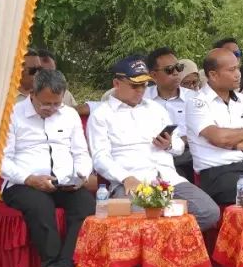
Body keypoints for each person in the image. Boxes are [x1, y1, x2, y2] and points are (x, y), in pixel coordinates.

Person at [88, 57, 219, 231]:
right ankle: (161, 248)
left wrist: (169, 144)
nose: (141, 90)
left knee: (208, 212)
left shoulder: (156, 109)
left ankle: (163, 246)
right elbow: (100, 157)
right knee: (142, 221)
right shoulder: (101, 114)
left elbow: (179, 147)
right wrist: (125, 177)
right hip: (132, 182)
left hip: (168, 179)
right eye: (135, 85)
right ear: (117, 83)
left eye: (144, 85)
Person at [0, 69, 94, 267]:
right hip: (23, 182)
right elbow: (1, 159)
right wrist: (29, 179)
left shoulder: (69, 114)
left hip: (64, 181)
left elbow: (81, 152)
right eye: (46, 104)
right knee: (40, 206)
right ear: (32, 93)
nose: (51, 109)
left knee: (86, 207)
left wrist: (81, 176)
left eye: (56, 104)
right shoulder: (12, 114)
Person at [186, 48, 243, 204]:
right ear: (213, 75)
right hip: (220, 172)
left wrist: (235, 143)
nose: (238, 74)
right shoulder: (197, 103)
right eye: (232, 70)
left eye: (238, 68)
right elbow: (220, 138)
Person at [144, 47, 197, 181]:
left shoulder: (195, 99)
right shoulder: (142, 98)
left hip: (187, 154)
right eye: (169, 70)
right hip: (153, 152)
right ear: (153, 75)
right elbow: (104, 105)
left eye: (178, 68)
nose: (175, 73)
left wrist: (184, 140)